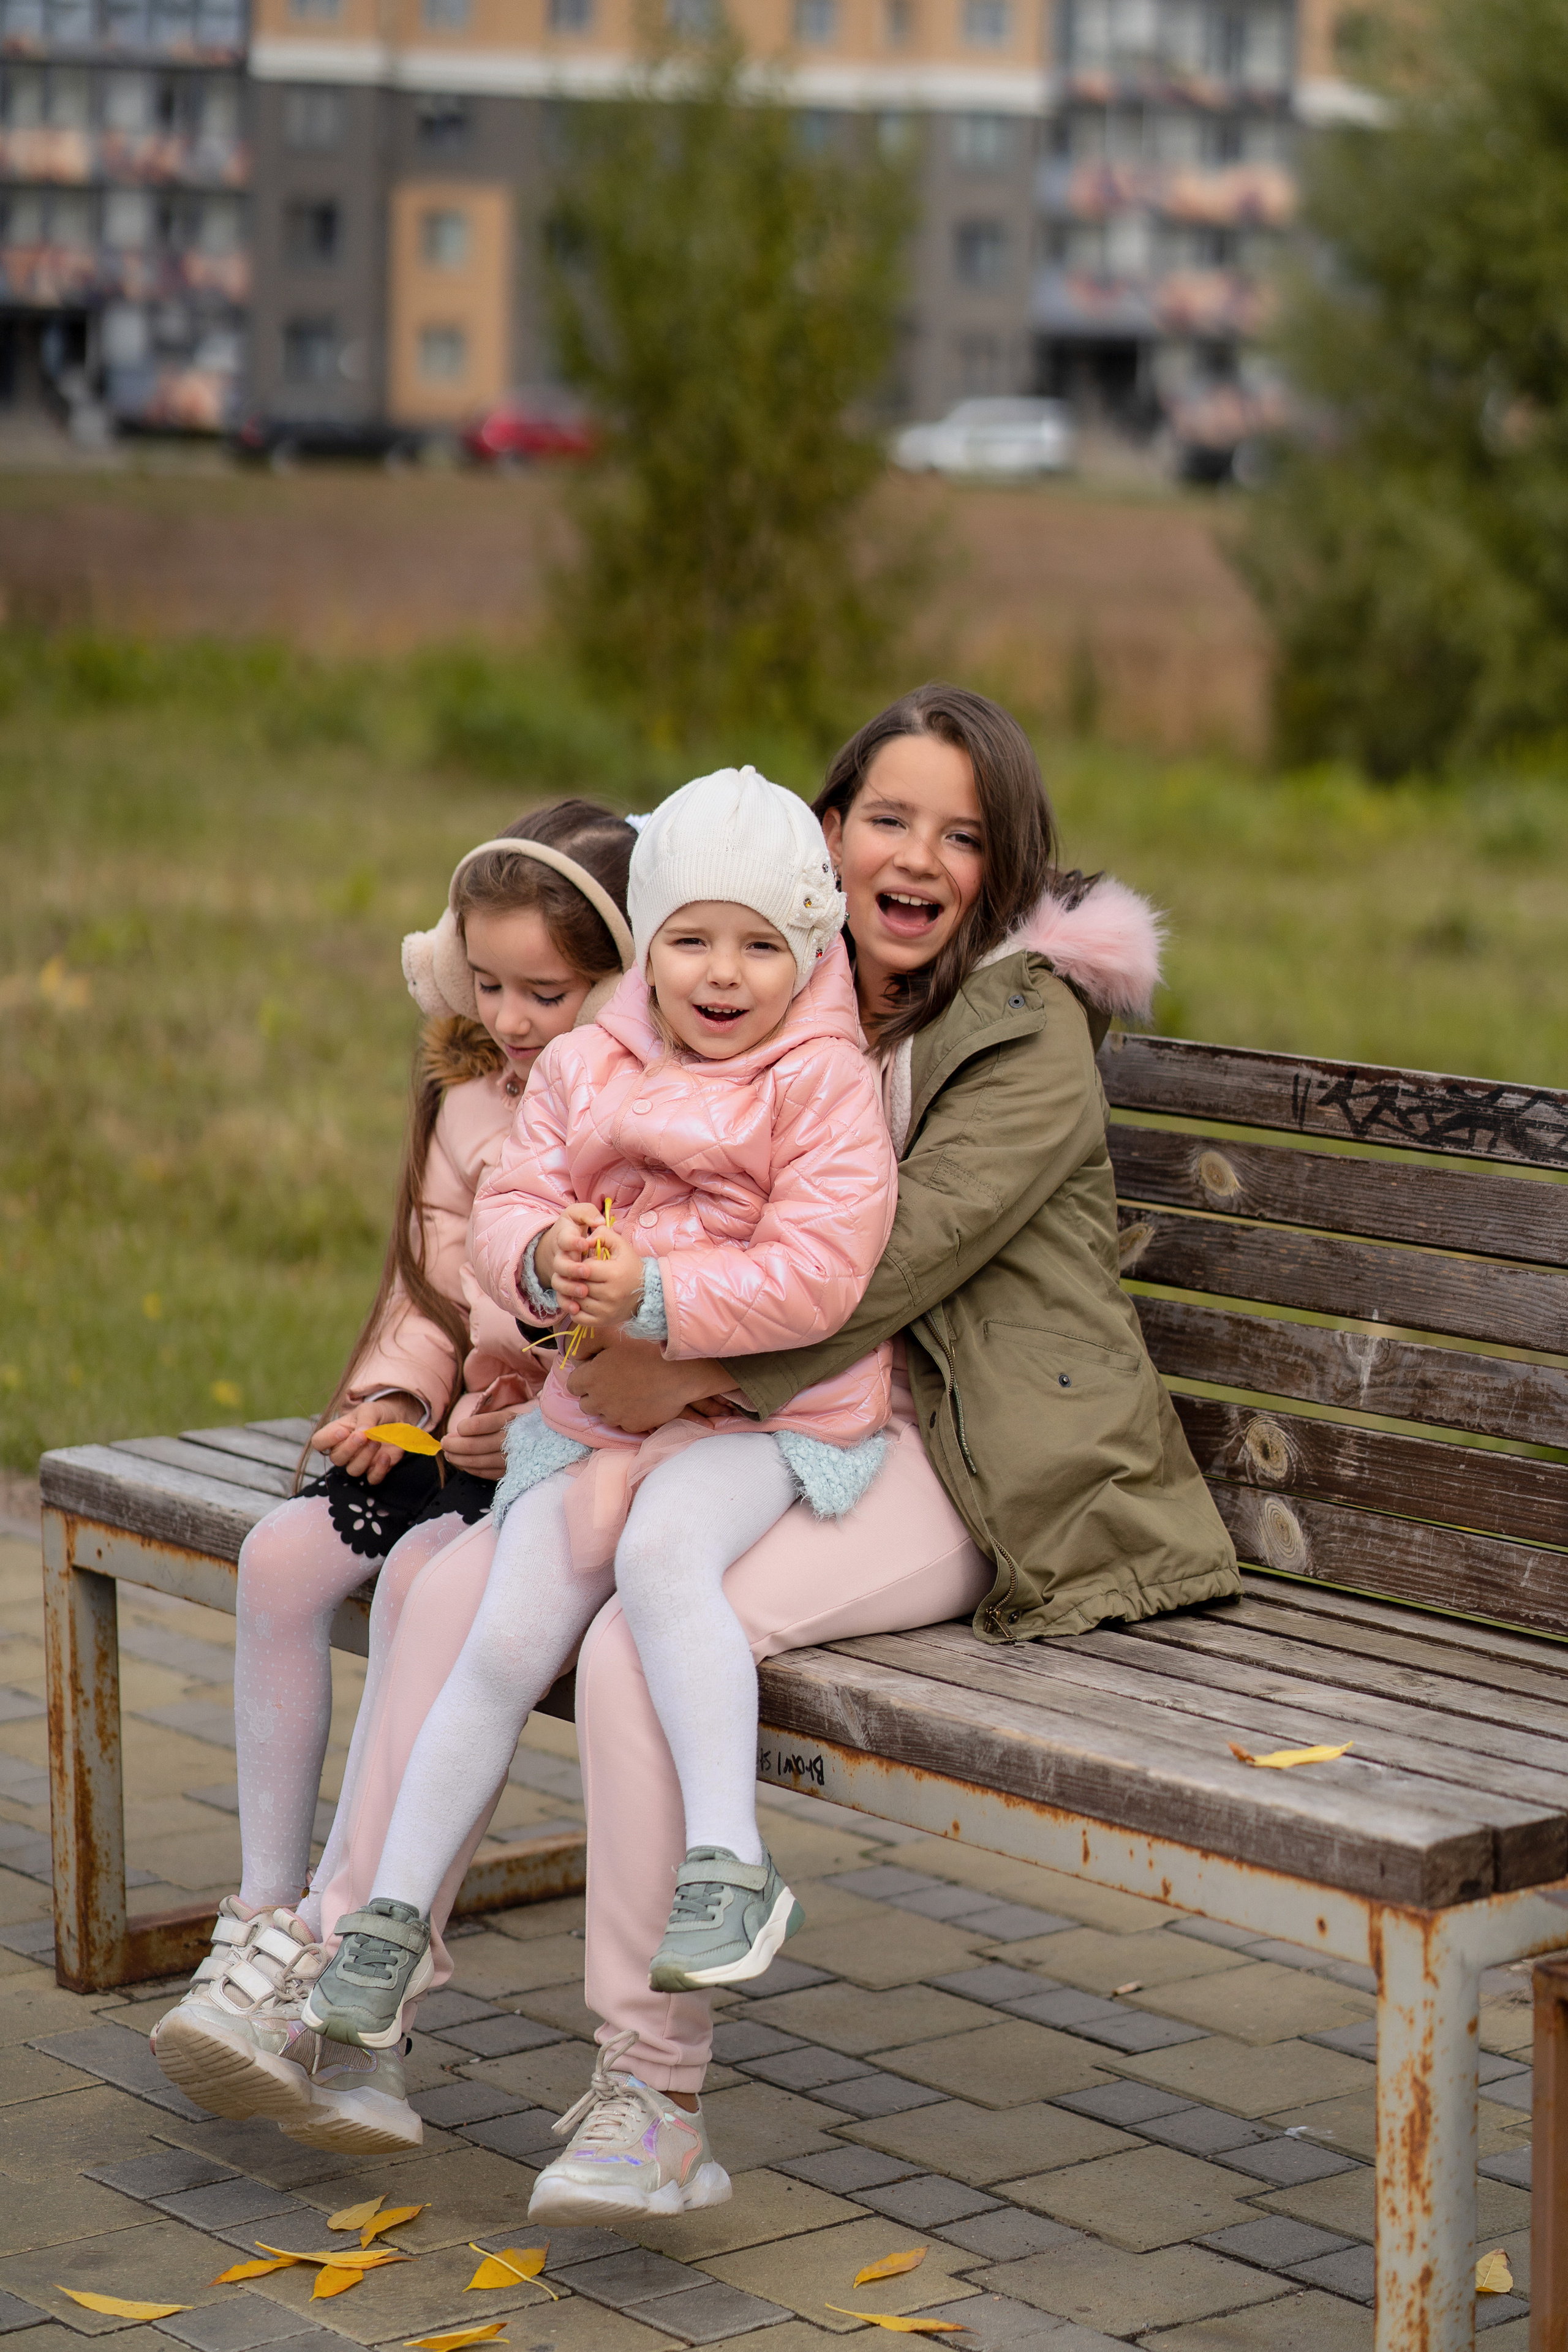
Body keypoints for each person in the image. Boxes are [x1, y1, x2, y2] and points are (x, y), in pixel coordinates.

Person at [175, 684, 1239, 2210]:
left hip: (961, 1461)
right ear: (827, 835)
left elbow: (882, 1266)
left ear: (1001, 864)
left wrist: (655, 1354)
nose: (916, 858)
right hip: (727, 1419)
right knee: (457, 1583)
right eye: (885, 820)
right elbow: (566, 1125)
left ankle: (650, 2095)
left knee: (633, 1643)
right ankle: (346, 1979)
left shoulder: (1016, 1029)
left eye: (959, 836)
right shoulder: (764, 963)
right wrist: (551, 1310)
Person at [300, 768, 899, 2070]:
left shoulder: (823, 1083)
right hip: (596, 1410)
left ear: (809, 951)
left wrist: (659, 1294)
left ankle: (730, 1862)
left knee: (666, 1553)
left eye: (760, 946)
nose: (722, 975)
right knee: (509, 1627)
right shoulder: (585, 1063)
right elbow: (510, 1200)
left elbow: (823, 1270)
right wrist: (541, 1261)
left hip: (752, 1418)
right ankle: (388, 1915)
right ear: (649, 944)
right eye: (691, 940)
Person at [149, 801, 636, 2151]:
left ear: (620, 978)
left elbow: (619, 1329)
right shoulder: (469, 1088)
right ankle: (260, 1921)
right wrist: (395, 1396)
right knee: (279, 1557)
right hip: (460, 1425)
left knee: (429, 1581)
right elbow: (431, 1283)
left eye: (547, 991)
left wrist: (519, 1421)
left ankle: (353, 1978)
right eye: (488, 984)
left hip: (550, 1454)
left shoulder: (635, 1111)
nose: (512, 1018)